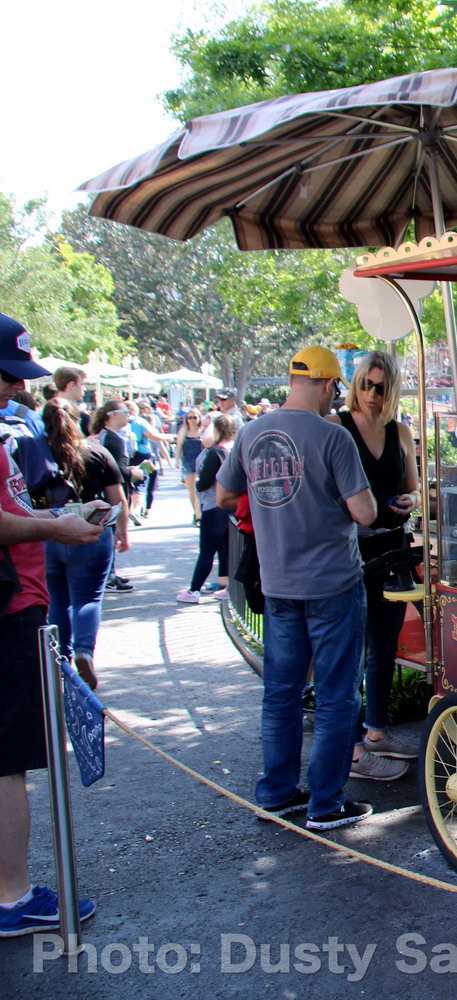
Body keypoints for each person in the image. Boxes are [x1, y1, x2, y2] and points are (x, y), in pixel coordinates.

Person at [216, 345, 381, 831]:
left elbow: (225, 495)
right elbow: (365, 512)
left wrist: (276, 515)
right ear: (330, 385)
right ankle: (325, 805)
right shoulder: (332, 438)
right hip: (332, 583)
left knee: (281, 693)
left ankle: (277, 792)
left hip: (279, 583)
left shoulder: (250, 433)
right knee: (335, 697)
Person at [0, 312, 107, 938]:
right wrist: (56, 527)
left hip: (23, 607)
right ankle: (12, 897)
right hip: (10, 612)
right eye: (8, 376)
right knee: (9, 760)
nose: (16, 389)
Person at [334, 351, 420, 776]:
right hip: (349, 551)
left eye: (380, 386)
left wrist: (412, 501)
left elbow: (414, 489)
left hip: (392, 547)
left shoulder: (400, 430)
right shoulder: (338, 426)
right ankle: (351, 750)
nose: (371, 393)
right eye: (365, 384)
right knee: (349, 649)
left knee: (384, 646)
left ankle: (376, 730)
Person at [39, 399, 128, 689]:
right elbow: (118, 500)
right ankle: (84, 650)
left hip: (49, 531)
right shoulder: (97, 452)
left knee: (58, 599)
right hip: (91, 531)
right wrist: (122, 532)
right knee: (88, 598)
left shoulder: (34, 451)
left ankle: (61, 659)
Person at [176, 414, 236, 604]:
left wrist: (199, 484)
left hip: (214, 506)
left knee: (207, 550)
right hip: (229, 506)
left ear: (217, 431)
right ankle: (227, 586)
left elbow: (204, 483)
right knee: (225, 549)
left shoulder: (216, 452)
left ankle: (194, 590)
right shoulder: (232, 450)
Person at [90, 400, 137, 592]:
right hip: (110, 495)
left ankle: (110, 573)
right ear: (112, 415)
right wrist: (132, 473)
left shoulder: (106, 437)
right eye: (124, 412)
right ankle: (108, 576)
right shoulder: (111, 439)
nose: (128, 415)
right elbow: (114, 472)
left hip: (105, 493)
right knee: (111, 533)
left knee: (110, 535)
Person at [175, 408, 205, 525]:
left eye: (194, 417)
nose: (192, 420)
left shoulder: (203, 431)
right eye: (189, 417)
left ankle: (199, 516)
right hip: (187, 461)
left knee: (198, 489)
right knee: (191, 490)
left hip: (201, 462)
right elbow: (179, 446)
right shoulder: (183, 430)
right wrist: (176, 460)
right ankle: (196, 513)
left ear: (199, 418)